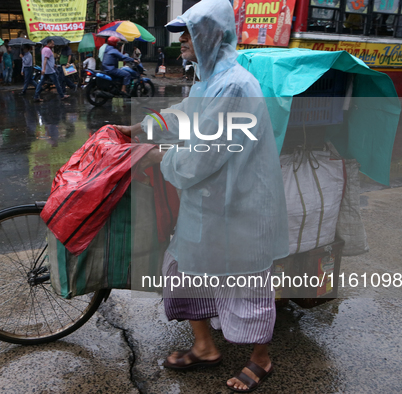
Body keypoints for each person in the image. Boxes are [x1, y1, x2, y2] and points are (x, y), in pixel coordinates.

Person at [114, 0, 288, 392]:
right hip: (208, 202)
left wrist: (154, 156)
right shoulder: (210, 80)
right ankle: (205, 346)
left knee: (247, 283)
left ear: (212, 35)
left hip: (240, 204)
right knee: (184, 268)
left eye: (189, 34)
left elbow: (201, 156)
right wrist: (140, 130)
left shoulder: (237, 85)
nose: (182, 43)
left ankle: (261, 359)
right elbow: (184, 113)